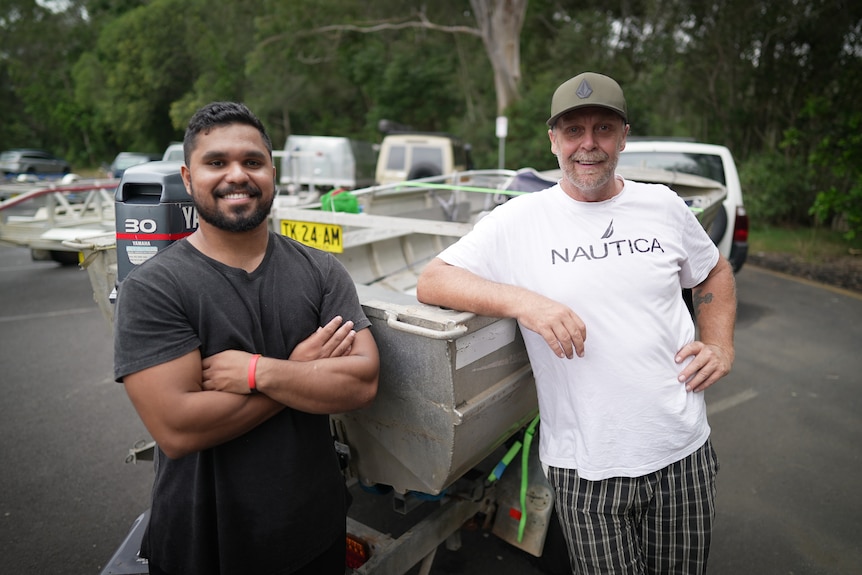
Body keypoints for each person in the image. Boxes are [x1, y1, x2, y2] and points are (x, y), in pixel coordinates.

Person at [416, 72, 736, 574]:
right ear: (553, 141)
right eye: (573, 130)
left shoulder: (663, 206)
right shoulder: (518, 220)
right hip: (585, 467)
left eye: (603, 129)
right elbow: (433, 281)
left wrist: (719, 343)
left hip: (682, 451)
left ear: (624, 136)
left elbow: (714, 268)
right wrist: (525, 302)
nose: (589, 144)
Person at [114, 101, 379, 575]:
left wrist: (258, 371)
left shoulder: (320, 270)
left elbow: (360, 383)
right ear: (188, 176)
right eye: (216, 162)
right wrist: (300, 371)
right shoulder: (153, 288)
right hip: (204, 543)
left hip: (313, 530)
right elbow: (178, 429)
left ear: (271, 172)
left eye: (252, 162)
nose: (237, 175)